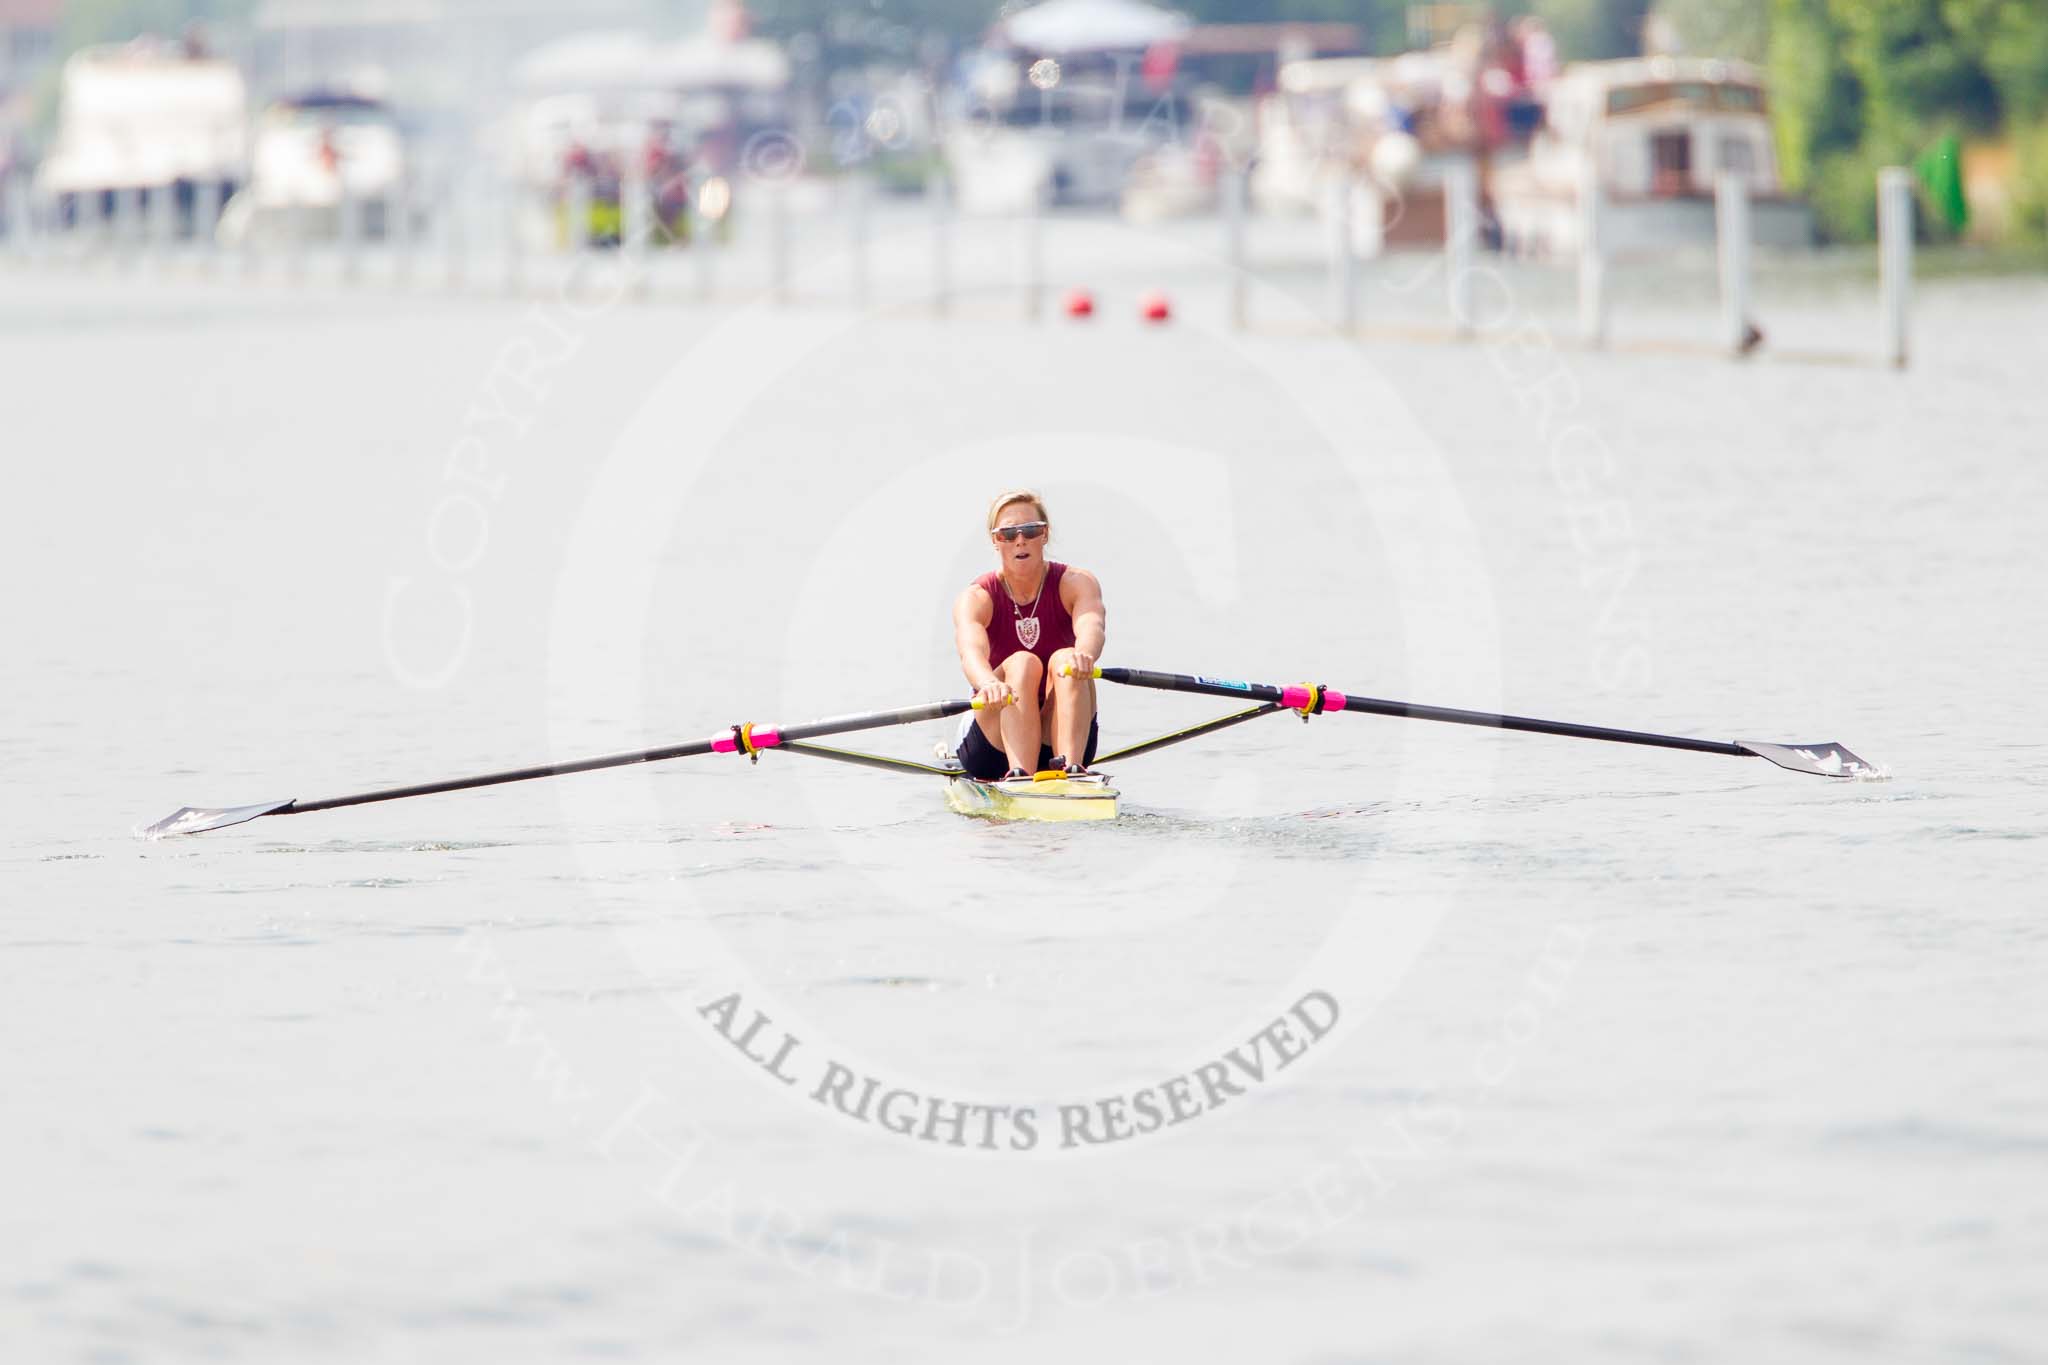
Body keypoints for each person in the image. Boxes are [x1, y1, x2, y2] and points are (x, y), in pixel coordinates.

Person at [952, 490, 1107, 781]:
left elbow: (1092, 626)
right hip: (993, 743)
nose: (1020, 540)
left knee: (1067, 660)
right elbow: (970, 652)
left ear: (1044, 535)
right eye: (1008, 534)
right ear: (995, 541)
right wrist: (988, 684)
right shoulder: (977, 597)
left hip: (1057, 735)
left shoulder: (1077, 583)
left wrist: (1084, 654)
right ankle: (1020, 774)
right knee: (1022, 663)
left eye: (1030, 531)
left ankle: (1073, 770)